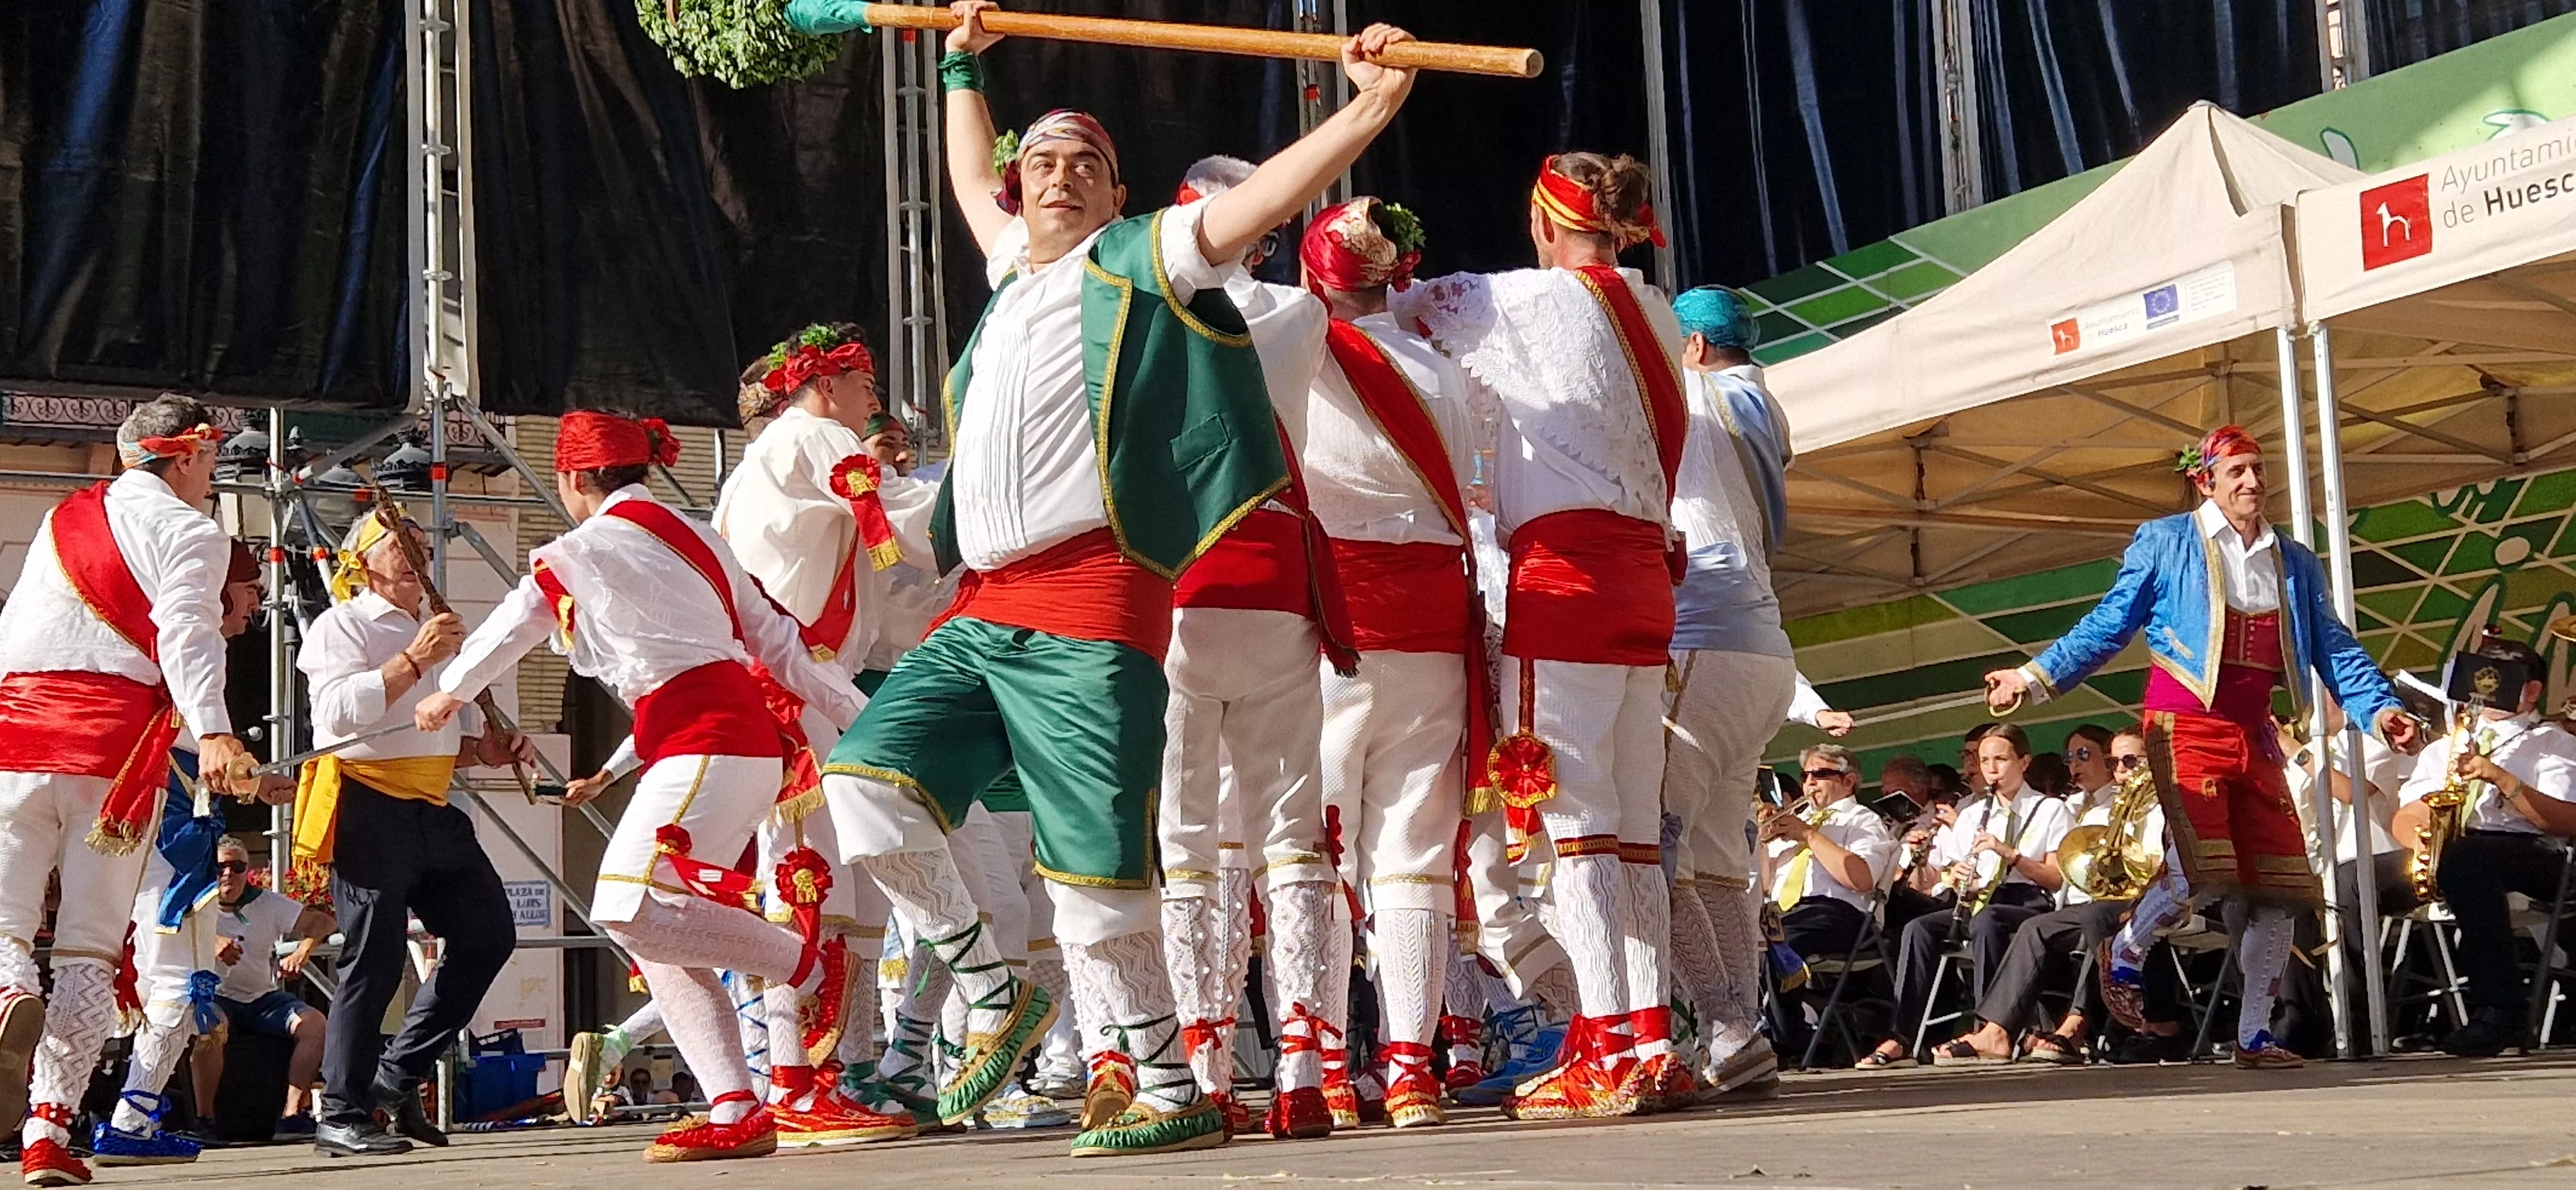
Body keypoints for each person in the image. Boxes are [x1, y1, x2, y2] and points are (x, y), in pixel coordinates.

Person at [814, 0, 1419, 1158]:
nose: (1060, 176)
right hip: (984, 605)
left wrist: (1370, 107)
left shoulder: (1145, 256)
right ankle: (992, 991)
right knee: (864, 783)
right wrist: (955, 65)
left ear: (1116, 192)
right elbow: (963, 171)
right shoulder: (1006, 268)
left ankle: (1163, 1077)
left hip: (1095, 599)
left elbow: (1261, 200)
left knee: (1097, 865)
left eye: (1086, 164)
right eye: (1041, 162)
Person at [423, 410, 864, 1163]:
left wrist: (448, 693)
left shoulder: (584, 546)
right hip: (727, 744)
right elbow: (782, 646)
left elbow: (515, 621)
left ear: (572, 478)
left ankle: (804, 963)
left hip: (709, 742)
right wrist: (861, 718)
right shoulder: (704, 541)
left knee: (626, 901)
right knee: (659, 933)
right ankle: (734, 1102)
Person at [1394, 151, 1688, 1119]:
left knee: (1576, 834)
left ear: (1541, 221)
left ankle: (1601, 1049)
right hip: (1648, 581)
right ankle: (1652, 1038)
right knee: (1636, 835)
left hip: (1567, 581)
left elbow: (1390, 301)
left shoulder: (1517, 298)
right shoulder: (1654, 308)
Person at [1984, 424, 2421, 1069]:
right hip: (2182, 724)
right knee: (2200, 866)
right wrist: (2032, 676)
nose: (2252, 481)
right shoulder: (2166, 541)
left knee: (2279, 886)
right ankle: (2126, 947)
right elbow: (2110, 623)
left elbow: (2332, 646)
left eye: (2257, 468)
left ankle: (2253, 1036)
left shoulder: (2292, 559)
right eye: (2238, 471)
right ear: (2205, 481)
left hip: (2256, 733)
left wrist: (2381, 709)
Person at [0, 395, 267, 1188]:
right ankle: (48, 1134)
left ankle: (8, 985)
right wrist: (215, 731)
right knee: (87, 946)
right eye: (212, 462)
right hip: (114, 761)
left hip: (16, 736)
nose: (213, 478)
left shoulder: (59, 522)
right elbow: (186, 633)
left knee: (9, 917)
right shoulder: (192, 532)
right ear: (184, 456)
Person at [1146, 156, 1351, 1140]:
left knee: (1188, 839)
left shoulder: (1145, 307)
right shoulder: (1299, 313)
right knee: (1290, 834)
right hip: (1278, 581)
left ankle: (1206, 1067)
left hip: (1177, 581)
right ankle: (1306, 1066)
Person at [712, 323, 933, 1147]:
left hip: (801, 685)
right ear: (826, 385)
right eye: (865, 383)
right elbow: (906, 517)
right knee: (804, 884)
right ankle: (794, 1084)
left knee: (821, 885)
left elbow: (888, 597)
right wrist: (1007, 500)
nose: (873, 401)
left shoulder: (764, 463)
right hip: (793, 690)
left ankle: (816, 1075)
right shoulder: (815, 438)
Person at [1292, 196, 1477, 1133]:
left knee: (1320, 849)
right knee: (1414, 847)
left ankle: (1327, 1062)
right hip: (1434, 622)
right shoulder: (1440, 370)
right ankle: (1410, 1066)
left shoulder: (1302, 349)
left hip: (1336, 624)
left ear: (1312, 281)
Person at [289, 509, 530, 1158]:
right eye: (400, 544)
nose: (417, 552)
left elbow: (433, 732)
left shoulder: (441, 629)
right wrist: (414, 658)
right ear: (365, 560)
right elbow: (337, 719)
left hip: (432, 804)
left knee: (488, 935)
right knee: (373, 957)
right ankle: (338, 1111)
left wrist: (484, 751)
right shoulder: (342, 625)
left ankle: (396, 1076)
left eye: (421, 543)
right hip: (368, 803)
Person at [1658, 285, 1804, 1100]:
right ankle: (1737, 1030)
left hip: (1705, 639)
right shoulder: (1760, 398)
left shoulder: (1698, 392)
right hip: (1761, 649)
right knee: (1716, 857)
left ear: (1696, 348)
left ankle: (1723, 1024)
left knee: (1650, 840)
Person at [93, 545, 278, 1166]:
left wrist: (252, 781)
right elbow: (192, 747)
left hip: (145, 836)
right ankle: (127, 1121)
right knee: (176, 981)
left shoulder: (154, 646)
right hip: (172, 845)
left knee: (133, 976)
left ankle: (93, 1119)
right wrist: (254, 780)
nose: (257, 603)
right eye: (250, 590)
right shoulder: (192, 649)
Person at [2392, 636, 2576, 1055]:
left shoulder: (2556, 743)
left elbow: (2565, 821)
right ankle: (2348, 1019)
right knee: (2351, 880)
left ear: (2531, 692)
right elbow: (2409, 814)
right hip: (2457, 850)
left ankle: (2500, 1009)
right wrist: (2422, 845)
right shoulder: (2448, 745)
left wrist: (2500, 778)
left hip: (2536, 852)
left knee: (2470, 861)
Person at [1938, 728, 2161, 1065]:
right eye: (2116, 762)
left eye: (2130, 761)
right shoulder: (2073, 805)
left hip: (2143, 901)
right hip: (2081, 904)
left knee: (2091, 917)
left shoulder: (2157, 807)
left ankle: (2077, 1023)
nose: (2121, 771)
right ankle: (1997, 1030)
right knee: (2036, 928)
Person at [1860, 724, 2073, 1068]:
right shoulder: (1973, 814)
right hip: (1981, 901)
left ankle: (1989, 1029)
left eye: (2001, 759)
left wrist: (2009, 854)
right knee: (1919, 928)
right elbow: (1951, 875)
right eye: (1984, 760)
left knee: (1988, 921)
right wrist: (1955, 876)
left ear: (2024, 761)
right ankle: (1904, 1036)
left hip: (2027, 902)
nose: (1991, 768)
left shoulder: (2050, 810)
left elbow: (2054, 879)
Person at [1761, 745, 1899, 1066]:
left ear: (1848, 781)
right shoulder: (1796, 820)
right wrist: (1760, 839)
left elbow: (1862, 878)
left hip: (1839, 915)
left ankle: (1789, 1038)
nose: (1809, 783)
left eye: (1820, 774)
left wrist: (1810, 836)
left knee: (1778, 935)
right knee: (1737, 935)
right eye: (1805, 775)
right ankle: (1770, 1033)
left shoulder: (1862, 820)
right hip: (1786, 912)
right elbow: (1767, 885)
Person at [196, 841, 334, 1117]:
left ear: (247, 871)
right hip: (216, 997)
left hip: (262, 998)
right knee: (211, 1027)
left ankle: (292, 1113)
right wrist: (209, 941)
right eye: (220, 867)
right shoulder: (195, 904)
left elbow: (324, 922)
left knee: (315, 1024)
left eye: (237, 867)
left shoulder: (266, 901)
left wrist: (302, 952)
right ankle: (206, 1119)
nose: (228, 874)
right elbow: (162, 932)